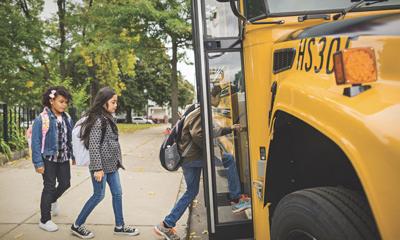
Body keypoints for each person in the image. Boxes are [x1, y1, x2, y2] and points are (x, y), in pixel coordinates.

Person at [154, 85, 250, 240]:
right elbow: (198, 134)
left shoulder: (198, 108)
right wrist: (212, 152)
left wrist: (230, 129)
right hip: (193, 157)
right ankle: (236, 199)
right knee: (229, 159)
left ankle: (166, 224)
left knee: (191, 192)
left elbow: (212, 130)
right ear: (212, 97)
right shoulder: (201, 111)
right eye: (219, 96)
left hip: (187, 157)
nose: (220, 100)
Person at [70, 87, 139, 239]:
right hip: (100, 167)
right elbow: (93, 145)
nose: (116, 105)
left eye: (116, 102)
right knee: (98, 195)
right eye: (113, 102)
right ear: (103, 102)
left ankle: (120, 226)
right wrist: (97, 168)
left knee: (117, 193)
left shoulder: (108, 117)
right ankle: (77, 225)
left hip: (112, 165)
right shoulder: (98, 120)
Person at [31, 86, 75, 232]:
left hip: (63, 158)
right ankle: (44, 219)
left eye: (66, 102)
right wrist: (38, 162)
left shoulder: (67, 118)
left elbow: (70, 139)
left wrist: (73, 155)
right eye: (61, 101)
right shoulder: (42, 119)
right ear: (51, 101)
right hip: (48, 159)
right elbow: (35, 142)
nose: (64, 104)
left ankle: (53, 200)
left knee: (65, 183)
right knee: (49, 187)